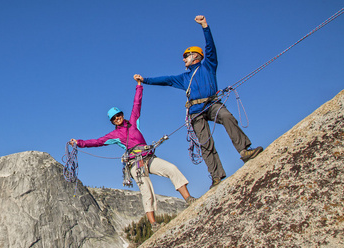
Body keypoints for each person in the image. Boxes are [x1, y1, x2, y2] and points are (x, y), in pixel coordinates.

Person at [134, 15, 263, 189]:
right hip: (195, 111)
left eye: (186, 56)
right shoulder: (184, 77)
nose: (183, 59)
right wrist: (146, 80)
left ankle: (244, 151)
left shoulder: (208, 65)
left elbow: (211, 48)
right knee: (205, 142)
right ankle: (216, 176)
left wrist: (205, 26)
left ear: (196, 56)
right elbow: (166, 80)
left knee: (227, 116)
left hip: (212, 104)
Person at [69, 78, 195, 231]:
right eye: (114, 118)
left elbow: (137, 104)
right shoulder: (113, 135)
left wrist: (139, 86)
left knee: (171, 168)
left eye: (118, 115)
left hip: (148, 158)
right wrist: (79, 142)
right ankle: (154, 224)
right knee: (146, 191)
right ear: (112, 121)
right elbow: (97, 141)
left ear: (122, 114)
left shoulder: (134, 122)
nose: (117, 119)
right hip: (135, 163)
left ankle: (188, 199)